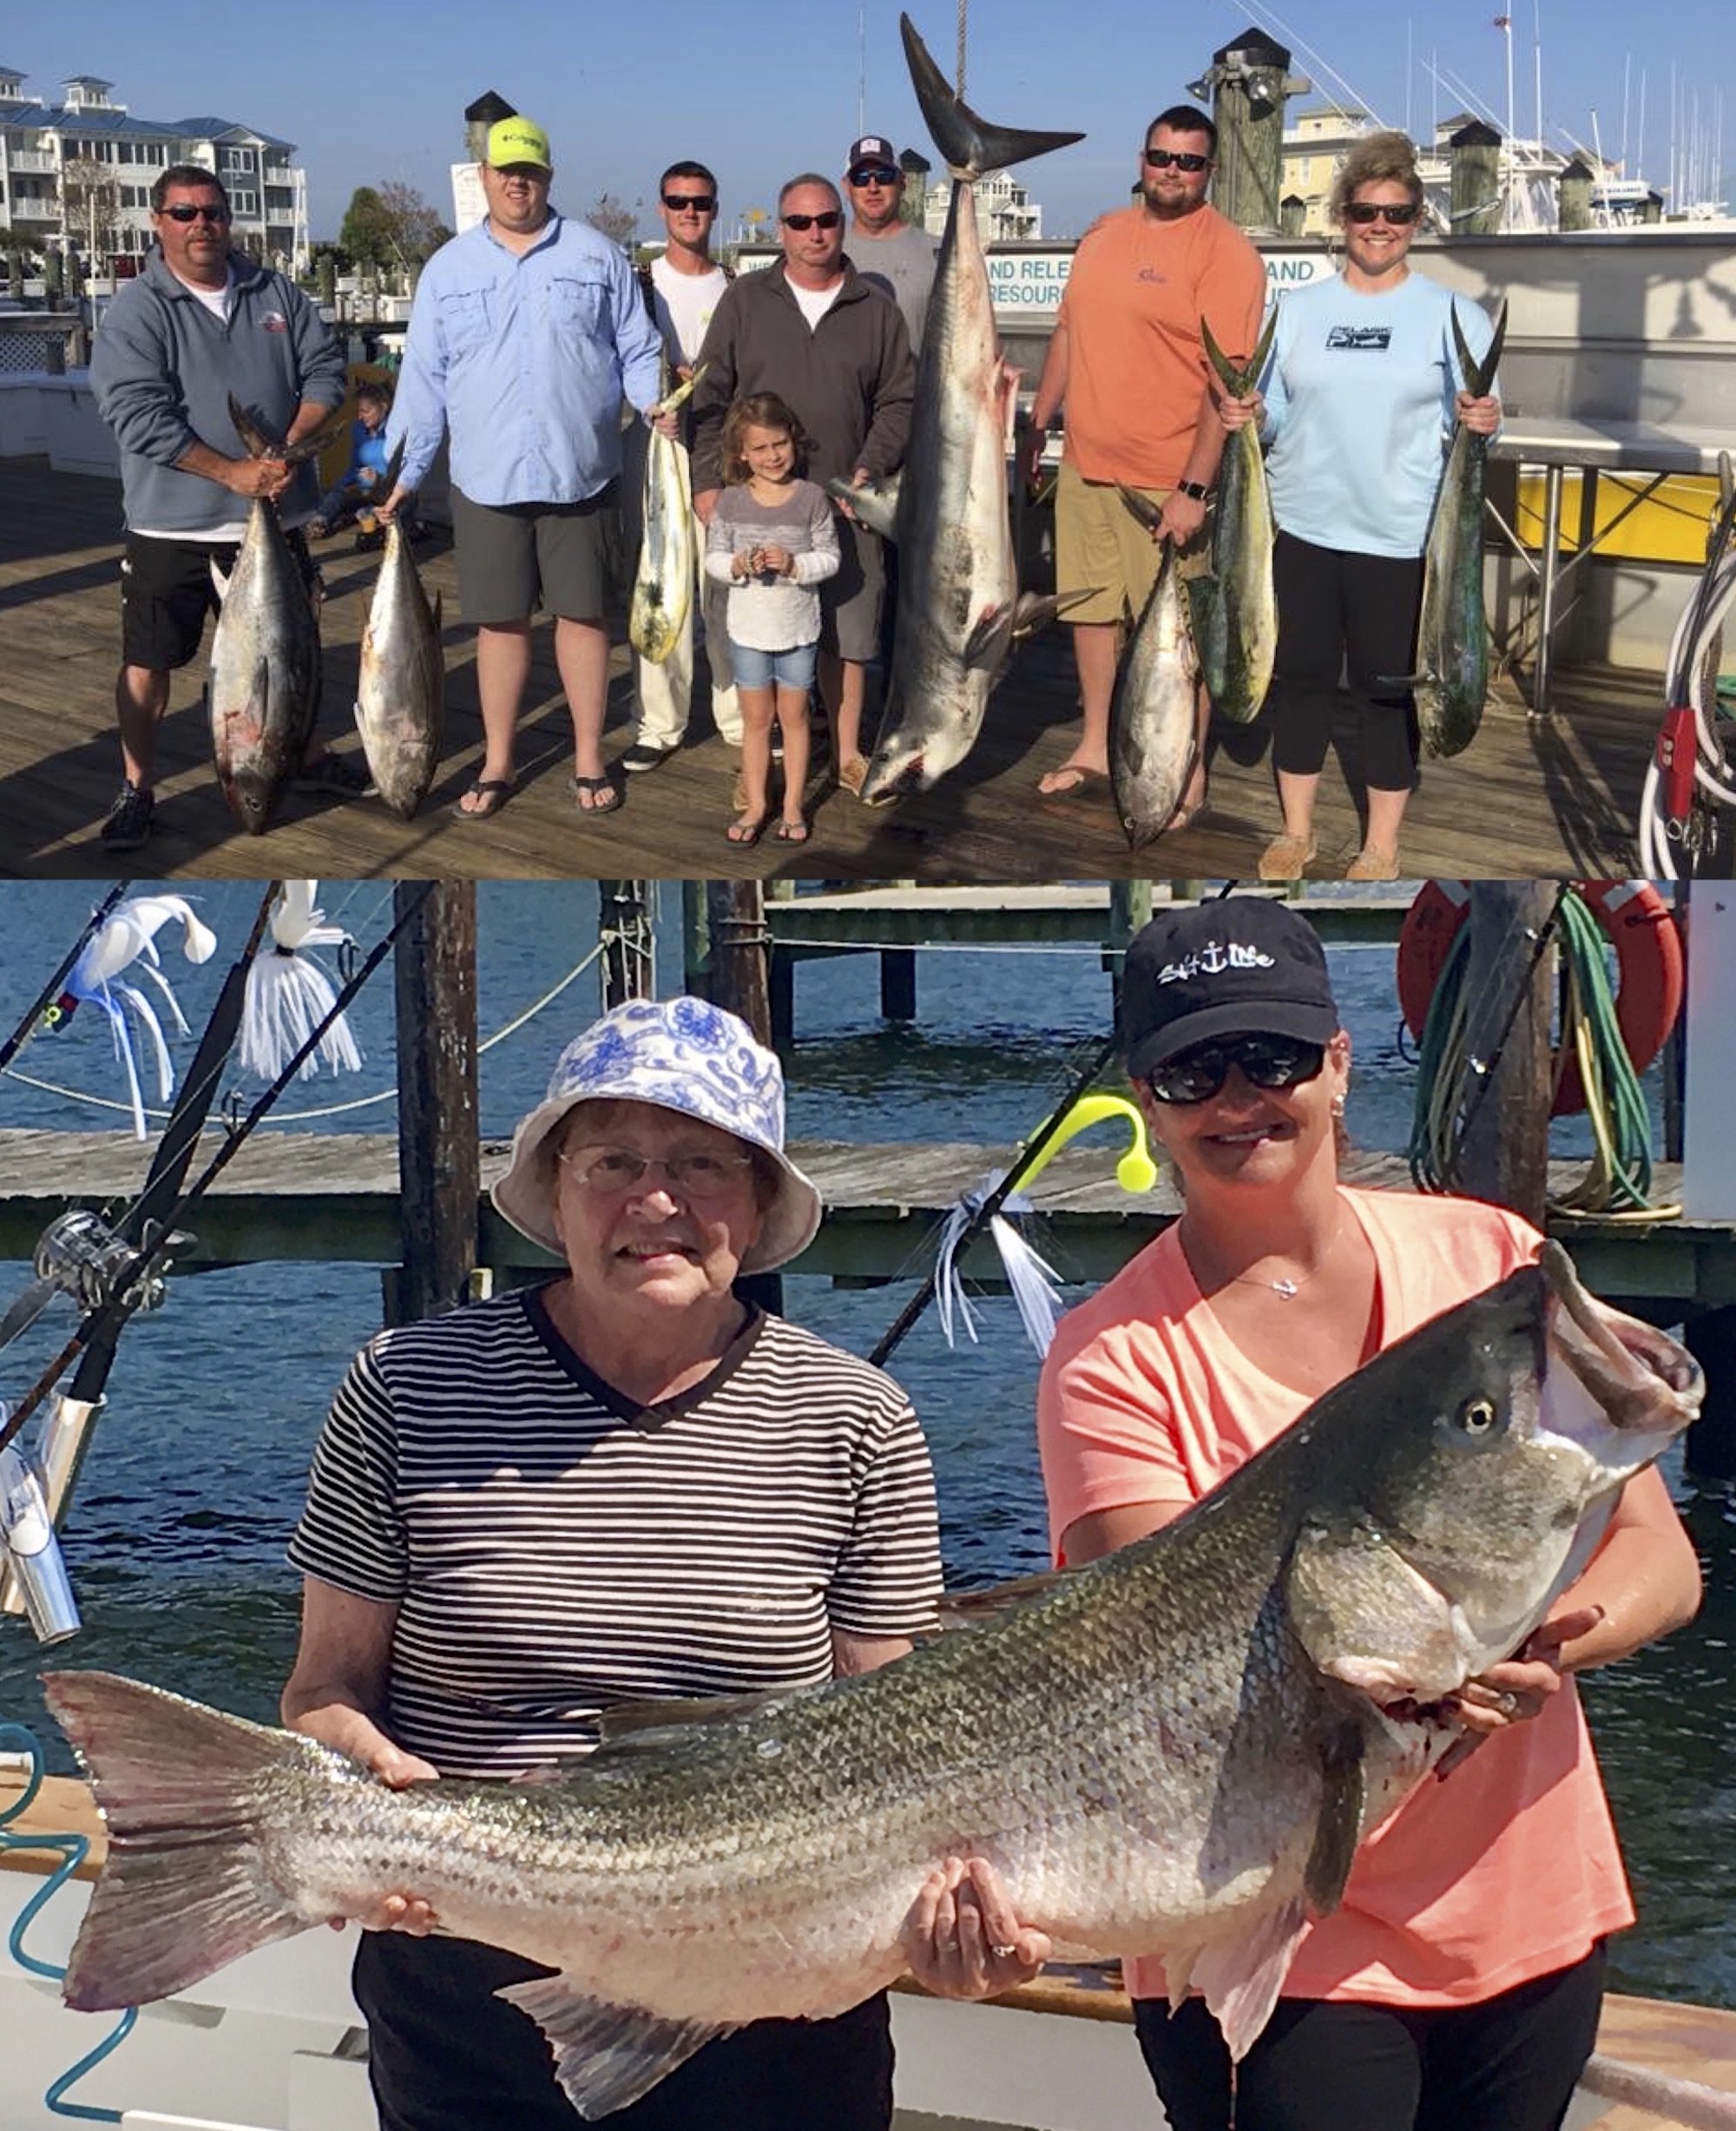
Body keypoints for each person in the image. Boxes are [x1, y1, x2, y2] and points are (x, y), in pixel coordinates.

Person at [1023, 897, 1702, 2131]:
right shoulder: (1109, 1357)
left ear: (1339, 1064)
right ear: (1147, 1100)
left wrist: (1548, 1640)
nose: (1240, 1097)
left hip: (1527, 1900)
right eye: (1193, 1070)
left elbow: (1658, 1552)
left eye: (1273, 1056)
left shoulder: (1490, 1269)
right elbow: (1157, 1662)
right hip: (1261, 1923)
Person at [282, 994, 944, 2131]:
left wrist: (952, 1914)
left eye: (702, 1163)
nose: (656, 1200)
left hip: (776, 2000)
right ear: (555, 1191)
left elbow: (906, 1749)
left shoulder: (858, 1418)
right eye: (613, 1162)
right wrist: (367, 1794)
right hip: (468, 1990)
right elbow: (323, 1691)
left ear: (759, 1202)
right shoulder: (402, 1385)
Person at [1217, 133, 1501, 884]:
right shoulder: (1297, 309)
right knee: (1301, 679)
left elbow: (1474, 432)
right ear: (1341, 215)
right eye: (1366, 211)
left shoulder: (1455, 316)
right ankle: (1297, 832)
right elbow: (1274, 413)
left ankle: (1381, 844)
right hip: (1300, 530)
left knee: (1385, 691)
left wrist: (1486, 423)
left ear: (1418, 219)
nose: (1381, 226)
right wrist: (1248, 417)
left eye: (1397, 213)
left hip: (1400, 538)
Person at [378, 115, 669, 823]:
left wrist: (654, 403)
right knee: (500, 624)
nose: (518, 183)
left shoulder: (597, 254)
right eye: (506, 171)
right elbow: (424, 379)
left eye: (531, 172)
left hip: (582, 472)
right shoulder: (448, 268)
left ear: (549, 176)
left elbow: (636, 347)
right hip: (486, 478)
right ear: (484, 176)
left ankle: (589, 757)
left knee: (584, 618)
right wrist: (403, 472)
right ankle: (499, 759)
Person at [89, 162, 356, 852]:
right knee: (149, 662)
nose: (200, 224)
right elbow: (135, 413)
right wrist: (230, 471)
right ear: (158, 222)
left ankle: (305, 754)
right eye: (184, 213)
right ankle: (136, 787)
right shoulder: (139, 309)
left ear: (227, 220)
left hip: (273, 515)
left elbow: (326, 368)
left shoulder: (275, 292)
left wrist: (285, 450)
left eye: (212, 212)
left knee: (290, 654)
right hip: (170, 524)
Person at [1021, 108, 1265, 817]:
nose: (1172, 172)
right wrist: (1038, 422)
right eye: (1162, 157)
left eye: (1189, 162)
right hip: (1085, 465)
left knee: (1178, 635)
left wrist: (1193, 487)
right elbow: (1069, 332)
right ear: (1141, 159)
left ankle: (1185, 766)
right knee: (1092, 615)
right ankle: (1097, 745)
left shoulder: (1226, 255)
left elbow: (1226, 386)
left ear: (1209, 171)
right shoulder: (1102, 235)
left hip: (1166, 478)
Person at [692, 173, 914, 800]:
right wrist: (707, 483)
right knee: (756, 638)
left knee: (850, 635)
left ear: (841, 223)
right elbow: (708, 396)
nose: (814, 233)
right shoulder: (745, 300)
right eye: (799, 222)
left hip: (844, 504)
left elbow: (899, 400)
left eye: (826, 220)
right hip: (754, 507)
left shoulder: (876, 309)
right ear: (781, 229)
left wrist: (870, 468)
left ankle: (846, 754)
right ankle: (758, 765)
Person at [618, 160, 743, 775]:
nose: (690, 211)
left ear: (715, 209)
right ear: (661, 207)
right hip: (658, 455)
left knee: (727, 591)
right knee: (661, 586)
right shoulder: (637, 285)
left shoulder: (737, 287)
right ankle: (659, 724)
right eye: (678, 201)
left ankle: (739, 718)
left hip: (721, 455)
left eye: (700, 202)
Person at [705, 391, 840, 845]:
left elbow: (830, 557)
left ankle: (794, 805)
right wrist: (737, 565)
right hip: (748, 633)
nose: (772, 456)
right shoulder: (730, 502)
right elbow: (713, 559)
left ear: (793, 441)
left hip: (798, 631)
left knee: (795, 718)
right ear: (742, 453)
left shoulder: (812, 498)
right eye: (760, 448)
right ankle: (758, 803)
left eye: (779, 444)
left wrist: (796, 565)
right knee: (756, 723)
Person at [842, 134, 937, 354]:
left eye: (884, 176)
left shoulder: (938, 253)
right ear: (846, 187)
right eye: (861, 178)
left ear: (903, 182)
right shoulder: (825, 251)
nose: (873, 187)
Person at [308, 379, 405, 549]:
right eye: (359, 411)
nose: (360, 416)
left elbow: (404, 470)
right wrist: (346, 483)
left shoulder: (396, 431)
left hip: (387, 489)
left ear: (383, 407)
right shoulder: (358, 428)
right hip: (362, 487)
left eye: (366, 411)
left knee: (388, 507)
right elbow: (355, 464)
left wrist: (379, 478)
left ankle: (365, 516)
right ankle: (320, 521)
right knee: (338, 493)